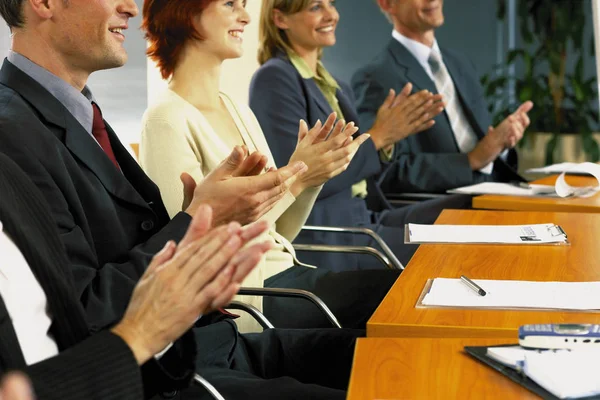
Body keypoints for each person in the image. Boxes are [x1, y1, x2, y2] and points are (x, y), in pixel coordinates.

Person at [0, 0, 364, 398]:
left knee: (390, 353)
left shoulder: (79, 113)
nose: (130, 9)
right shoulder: (13, 134)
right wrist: (200, 222)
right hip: (171, 375)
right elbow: (83, 311)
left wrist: (211, 217)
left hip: (209, 341)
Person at [140, 0, 400, 330]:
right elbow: (194, 248)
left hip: (288, 275)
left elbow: (280, 232)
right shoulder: (166, 120)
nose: (246, 17)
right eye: (230, 4)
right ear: (184, 12)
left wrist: (310, 178)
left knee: (409, 290)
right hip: (251, 301)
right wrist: (294, 177)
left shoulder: (236, 109)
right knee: (400, 298)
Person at [0, 150, 272, 399]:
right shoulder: (16, 139)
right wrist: (138, 336)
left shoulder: (8, 173)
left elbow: (65, 322)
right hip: (165, 362)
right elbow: (86, 314)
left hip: (167, 357)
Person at [249, 0, 472, 271]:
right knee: (460, 249)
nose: (331, 15)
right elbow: (296, 178)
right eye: (315, 7)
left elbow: (366, 172)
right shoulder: (274, 78)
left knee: (468, 208)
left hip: (367, 216)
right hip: (335, 234)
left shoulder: (336, 85)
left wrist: (386, 141)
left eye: (330, 4)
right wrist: (377, 137)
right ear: (280, 19)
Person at [352, 0, 533, 194]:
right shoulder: (377, 77)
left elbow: (485, 149)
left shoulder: (460, 63)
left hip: (497, 192)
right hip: (440, 205)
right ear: (387, 4)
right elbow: (387, 171)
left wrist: (501, 144)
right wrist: (471, 160)